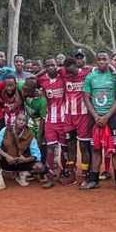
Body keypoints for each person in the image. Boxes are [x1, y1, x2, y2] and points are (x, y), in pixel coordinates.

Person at [80, 51, 116, 191]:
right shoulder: (90, 77)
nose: (101, 61)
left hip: (113, 118)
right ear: (96, 61)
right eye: (99, 59)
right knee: (96, 149)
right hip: (95, 118)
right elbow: (86, 98)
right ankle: (93, 180)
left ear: (109, 61)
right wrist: (95, 116)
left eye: (104, 59)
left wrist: (107, 116)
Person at [0, 114, 45, 191]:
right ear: (15, 121)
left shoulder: (30, 135)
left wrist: (26, 160)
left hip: (21, 162)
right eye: (19, 119)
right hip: (6, 161)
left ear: (26, 123)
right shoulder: (5, 130)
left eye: (24, 120)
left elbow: (37, 154)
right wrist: (6, 156)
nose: (21, 122)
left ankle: (21, 174)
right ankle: (1, 182)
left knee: (40, 167)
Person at [37, 57, 69, 187]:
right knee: (50, 148)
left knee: (64, 148)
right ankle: (50, 175)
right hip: (50, 120)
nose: (51, 67)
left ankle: (64, 172)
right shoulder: (42, 80)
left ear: (57, 66)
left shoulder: (63, 77)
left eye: (53, 65)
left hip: (64, 120)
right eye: (48, 65)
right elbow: (32, 80)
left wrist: (60, 68)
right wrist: (41, 71)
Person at [60, 57, 91, 184]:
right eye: (67, 71)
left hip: (83, 116)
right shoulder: (63, 72)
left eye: (71, 71)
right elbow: (48, 70)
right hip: (68, 117)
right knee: (70, 146)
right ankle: (71, 175)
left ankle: (85, 176)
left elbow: (105, 67)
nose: (69, 74)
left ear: (76, 66)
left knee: (84, 147)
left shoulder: (86, 72)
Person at [19, 77, 47, 186]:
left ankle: (42, 172)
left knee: (40, 148)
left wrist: (39, 137)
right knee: (27, 147)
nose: (23, 91)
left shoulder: (42, 101)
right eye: (24, 88)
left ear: (34, 90)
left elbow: (42, 121)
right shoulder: (22, 86)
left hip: (39, 125)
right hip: (29, 124)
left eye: (26, 90)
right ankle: (30, 170)